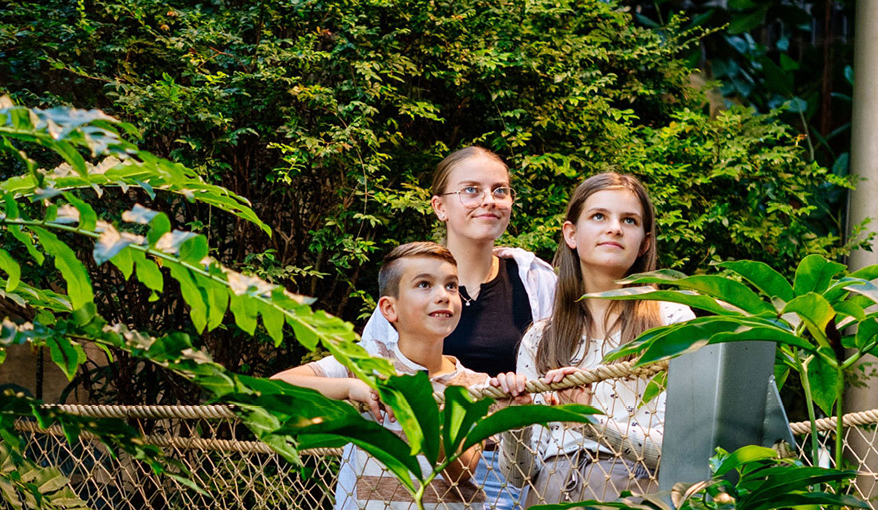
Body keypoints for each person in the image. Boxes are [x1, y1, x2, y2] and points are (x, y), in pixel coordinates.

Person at [359, 146, 557, 510]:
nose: (489, 201)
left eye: (500, 190)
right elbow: (372, 377)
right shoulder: (408, 292)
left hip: (517, 468)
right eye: (471, 190)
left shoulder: (537, 283)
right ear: (439, 207)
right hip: (424, 467)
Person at [489, 172, 693, 505]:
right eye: (599, 216)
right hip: (548, 494)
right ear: (571, 233)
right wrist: (514, 421)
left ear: (644, 242)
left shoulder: (671, 321)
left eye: (629, 220)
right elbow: (517, 474)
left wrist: (590, 422)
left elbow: (684, 448)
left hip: (635, 492)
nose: (614, 228)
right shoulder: (541, 337)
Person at [275, 242, 490, 510]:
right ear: (389, 309)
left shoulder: (475, 384)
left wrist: (420, 411)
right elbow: (278, 385)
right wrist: (352, 386)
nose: (443, 295)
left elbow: (463, 472)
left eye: (451, 286)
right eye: (424, 284)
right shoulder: (367, 363)